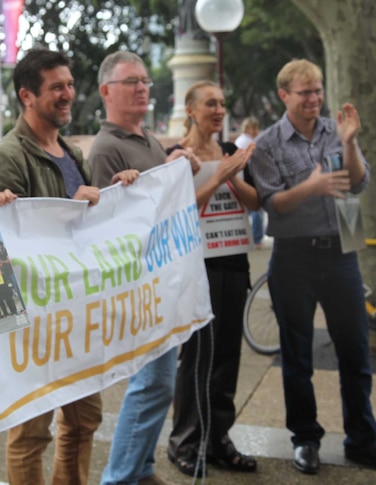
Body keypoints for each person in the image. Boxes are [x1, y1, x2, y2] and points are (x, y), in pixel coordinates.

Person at [0, 47, 136, 485]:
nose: (68, 94)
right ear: (27, 95)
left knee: (83, 421)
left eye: (69, 84)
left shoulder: (71, 152)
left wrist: (116, 191)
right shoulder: (6, 157)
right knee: (31, 432)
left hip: (76, 313)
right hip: (34, 320)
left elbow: (84, 226)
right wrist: (68, 205)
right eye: (56, 88)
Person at [248, 59, 376, 476]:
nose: (315, 99)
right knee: (297, 355)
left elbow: (358, 183)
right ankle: (305, 440)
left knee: (355, 349)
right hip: (293, 257)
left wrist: (351, 143)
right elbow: (271, 205)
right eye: (305, 93)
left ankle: (364, 440)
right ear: (284, 95)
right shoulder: (268, 143)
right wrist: (311, 186)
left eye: (318, 90)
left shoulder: (335, 130)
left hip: (342, 251)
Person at [87, 51, 199, 485]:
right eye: (131, 81)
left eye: (145, 81)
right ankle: (119, 478)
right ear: (106, 91)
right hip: (135, 286)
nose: (142, 88)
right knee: (153, 385)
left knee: (159, 383)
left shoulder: (147, 139)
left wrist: (178, 167)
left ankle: (143, 469)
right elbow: (104, 224)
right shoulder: (107, 148)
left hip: (160, 279)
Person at [164, 80, 259, 478]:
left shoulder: (232, 153)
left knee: (227, 356)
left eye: (222, 103)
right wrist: (218, 177)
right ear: (190, 110)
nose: (218, 110)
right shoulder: (176, 157)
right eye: (210, 104)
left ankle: (219, 438)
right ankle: (184, 441)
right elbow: (178, 211)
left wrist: (232, 175)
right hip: (195, 265)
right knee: (197, 358)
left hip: (233, 260)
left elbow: (255, 202)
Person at [236, 116, 265, 248]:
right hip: (251, 178)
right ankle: (256, 238)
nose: (257, 130)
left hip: (243, 177)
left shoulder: (240, 140)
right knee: (257, 210)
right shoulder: (249, 142)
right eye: (255, 128)